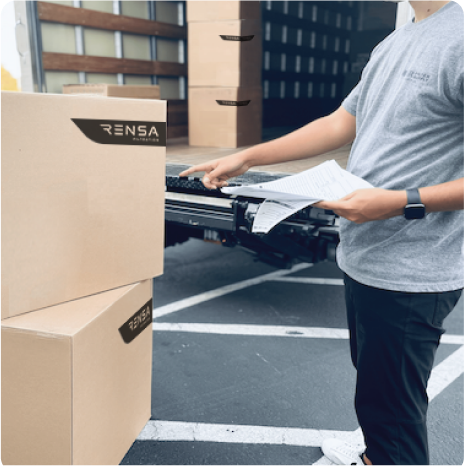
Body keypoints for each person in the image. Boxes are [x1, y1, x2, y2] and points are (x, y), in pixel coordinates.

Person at [180, 0, 464, 466]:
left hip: (414, 268)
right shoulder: (396, 40)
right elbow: (340, 122)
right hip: (365, 255)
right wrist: (249, 156)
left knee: (395, 419)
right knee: (379, 399)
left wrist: (398, 201)